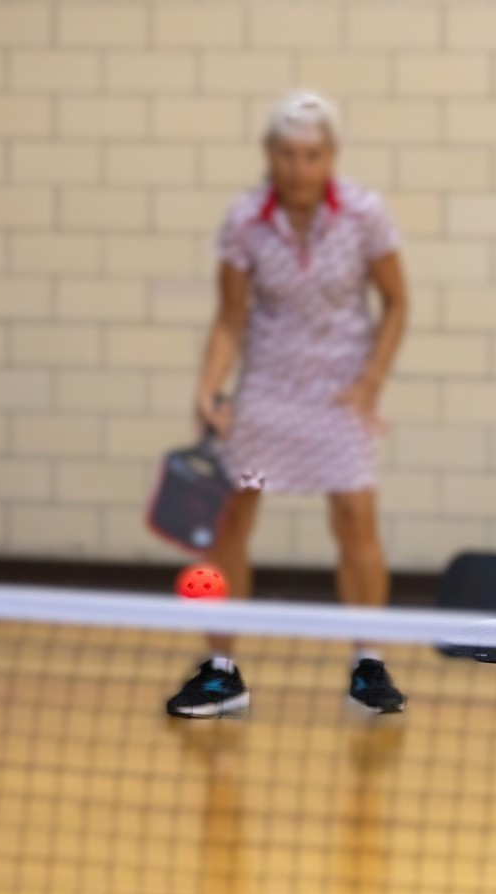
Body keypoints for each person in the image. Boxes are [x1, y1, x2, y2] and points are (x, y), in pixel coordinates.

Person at [166, 91, 409, 719]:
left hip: (338, 402)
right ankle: (221, 671)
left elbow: (397, 304)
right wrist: (209, 389)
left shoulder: (364, 214)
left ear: (329, 156)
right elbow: (230, 319)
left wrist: (370, 382)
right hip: (266, 402)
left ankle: (369, 663)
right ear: (270, 155)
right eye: (287, 154)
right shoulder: (245, 219)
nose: (299, 167)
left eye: (312, 154)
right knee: (233, 521)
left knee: (356, 522)